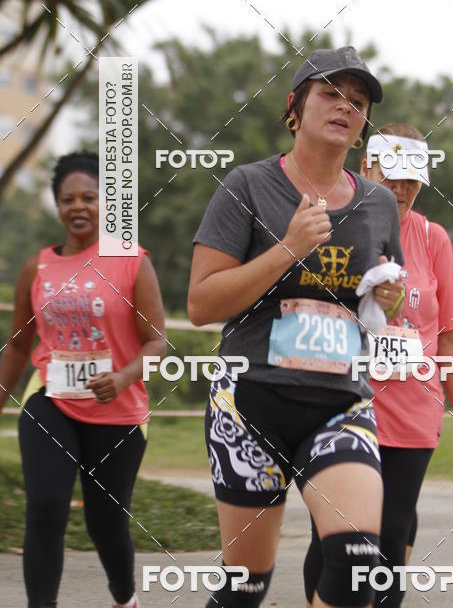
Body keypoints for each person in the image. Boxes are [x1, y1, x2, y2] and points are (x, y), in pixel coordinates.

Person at [188, 47, 406, 608]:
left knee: (359, 564)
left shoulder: (379, 203)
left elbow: (385, 302)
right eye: (330, 93)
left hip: (339, 401)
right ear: (295, 107)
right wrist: (288, 248)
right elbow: (201, 303)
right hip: (251, 400)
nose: (345, 107)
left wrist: (390, 297)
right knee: (246, 588)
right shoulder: (249, 186)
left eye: (357, 102)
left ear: (363, 126)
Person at [304, 123, 453, 608]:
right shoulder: (334, 225)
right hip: (340, 407)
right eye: (392, 175)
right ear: (367, 167)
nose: (402, 188)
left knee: (389, 541)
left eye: (413, 178)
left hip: (412, 415)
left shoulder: (433, 238)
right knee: (335, 540)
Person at [0, 151, 166, 608]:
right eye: (67, 199)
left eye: (89, 198)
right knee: (47, 508)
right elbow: (17, 345)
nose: (78, 206)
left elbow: (158, 343)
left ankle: (124, 597)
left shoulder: (131, 260)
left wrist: (124, 375)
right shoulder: (37, 269)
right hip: (50, 398)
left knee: (105, 521)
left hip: (119, 410)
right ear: (56, 206)